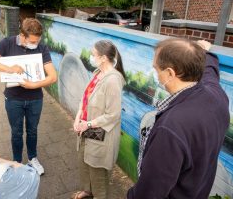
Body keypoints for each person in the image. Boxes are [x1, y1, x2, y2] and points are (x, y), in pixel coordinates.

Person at [127, 39, 230, 199]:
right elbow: (210, 72)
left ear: (170, 73)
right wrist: (203, 51)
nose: (155, 73)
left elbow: (149, 193)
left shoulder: (170, 127)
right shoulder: (217, 96)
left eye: (156, 68)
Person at [0, 18, 57, 175]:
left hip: (35, 98)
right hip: (14, 98)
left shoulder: (41, 48)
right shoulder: (7, 43)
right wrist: (8, 69)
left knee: (33, 130)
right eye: (32, 41)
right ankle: (16, 162)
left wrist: (33, 85)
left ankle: (32, 158)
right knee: (16, 132)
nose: (35, 44)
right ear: (22, 35)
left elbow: (53, 76)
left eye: (38, 40)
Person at [72, 40, 126, 199]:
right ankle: (87, 191)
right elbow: (85, 98)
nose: (91, 56)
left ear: (103, 58)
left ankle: (97, 195)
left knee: (97, 171)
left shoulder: (113, 80)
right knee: (84, 162)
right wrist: (77, 119)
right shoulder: (97, 73)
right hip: (85, 130)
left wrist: (87, 124)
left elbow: (113, 115)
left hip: (100, 134)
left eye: (93, 54)